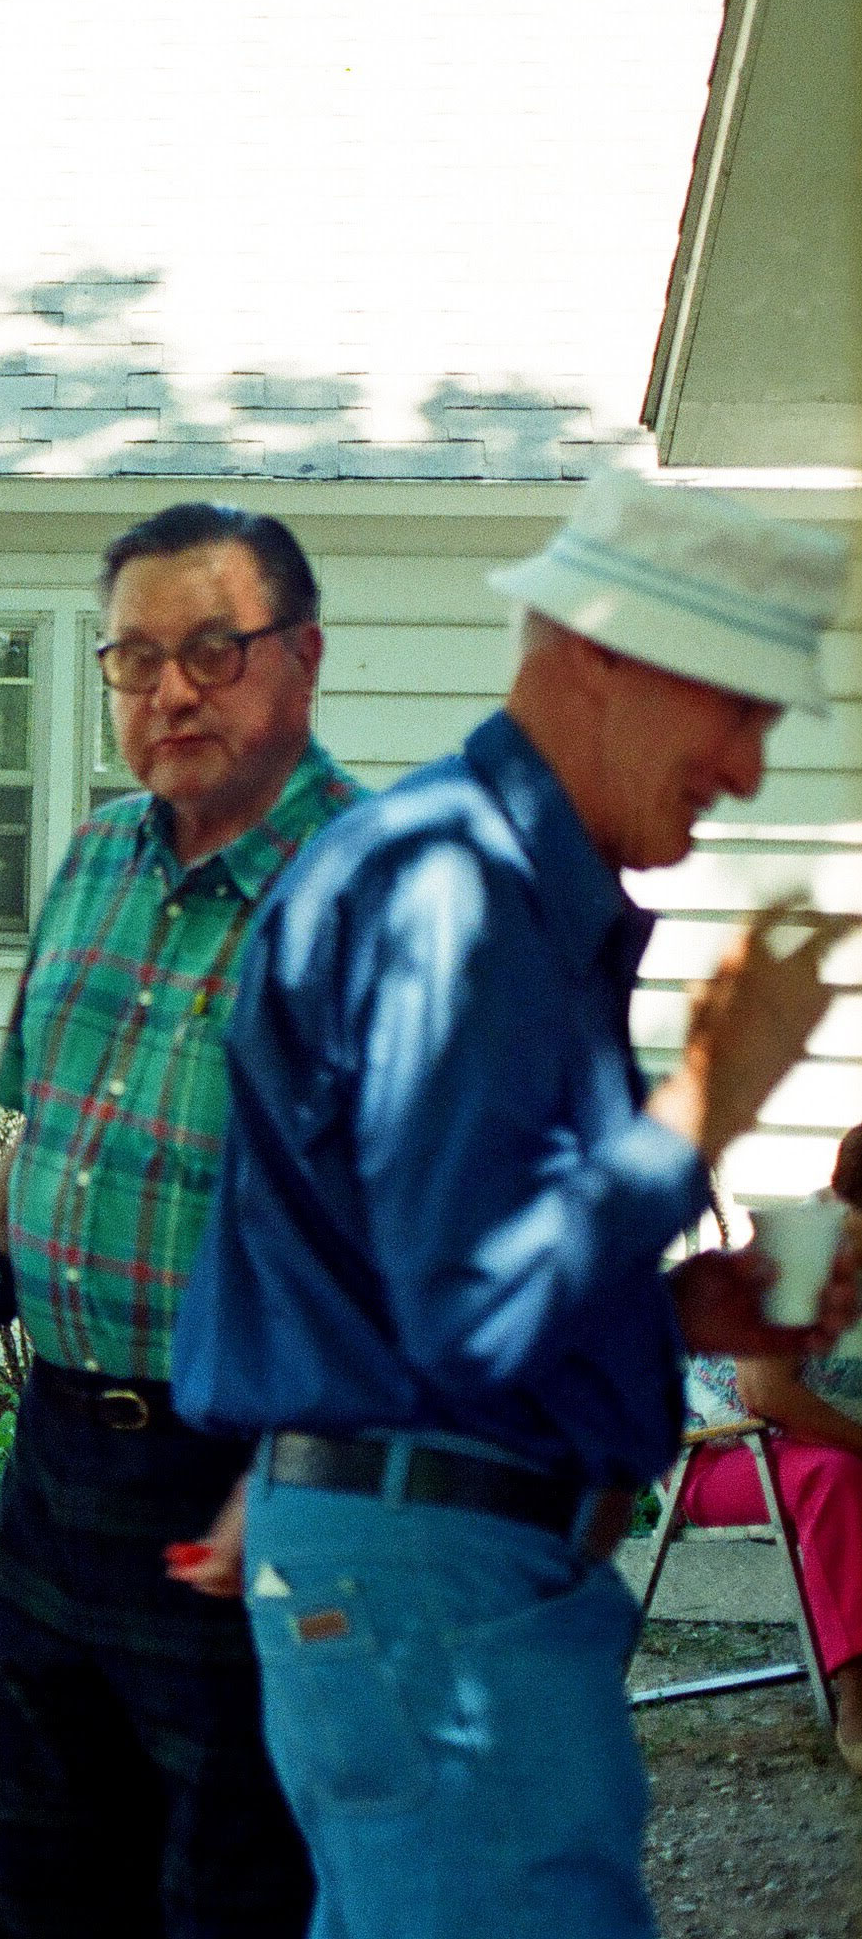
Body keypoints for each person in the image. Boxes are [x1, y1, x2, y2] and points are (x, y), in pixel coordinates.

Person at [174, 470, 861, 1936]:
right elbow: (473, 1303)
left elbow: (410, 1271)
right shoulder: (454, 891)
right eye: (735, 704)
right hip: (442, 1585)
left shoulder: (483, 882)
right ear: (596, 651)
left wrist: (668, 1306)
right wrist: (704, 1101)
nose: (746, 764)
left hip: (432, 1565)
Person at [0, 503, 355, 1938]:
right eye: (134, 661)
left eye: (212, 651)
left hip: (255, 1483)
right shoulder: (95, 861)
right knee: (46, 1885)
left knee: (238, 1893)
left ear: (299, 659)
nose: (170, 691)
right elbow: (44, 1133)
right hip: (55, 1468)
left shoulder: (382, 897)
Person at [680, 1123, 862, 1774]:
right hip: (719, 1452)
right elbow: (766, 1394)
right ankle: (856, 1707)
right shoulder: (799, 1248)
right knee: (838, 1477)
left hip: (806, 1447)